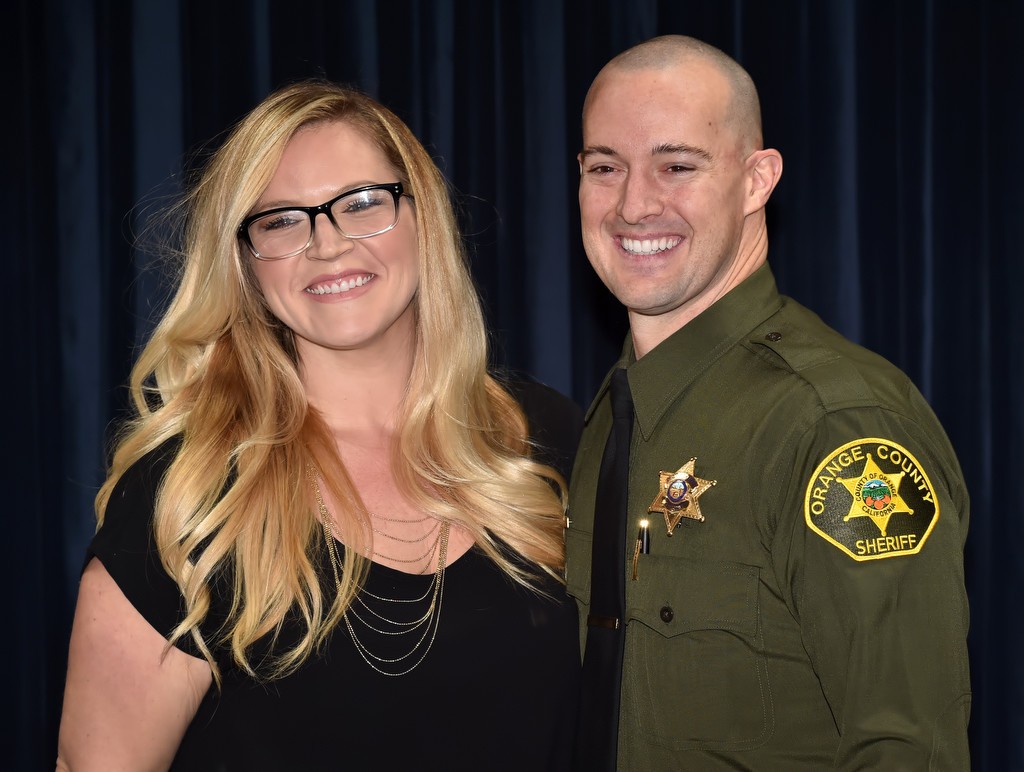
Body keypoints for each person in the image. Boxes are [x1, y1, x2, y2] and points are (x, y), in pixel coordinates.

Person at [56, 81, 581, 771]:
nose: (326, 243)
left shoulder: (547, 436)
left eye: (362, 203)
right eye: (280, 220)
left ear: (423, 217)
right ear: (245, 264)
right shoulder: (189, 498)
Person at [567, 35, 970, 770]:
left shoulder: (832, 423)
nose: (633, 204)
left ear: (756, 180)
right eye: (604, 167)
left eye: (677, 165)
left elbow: (908, 752)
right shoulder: (607, 420)